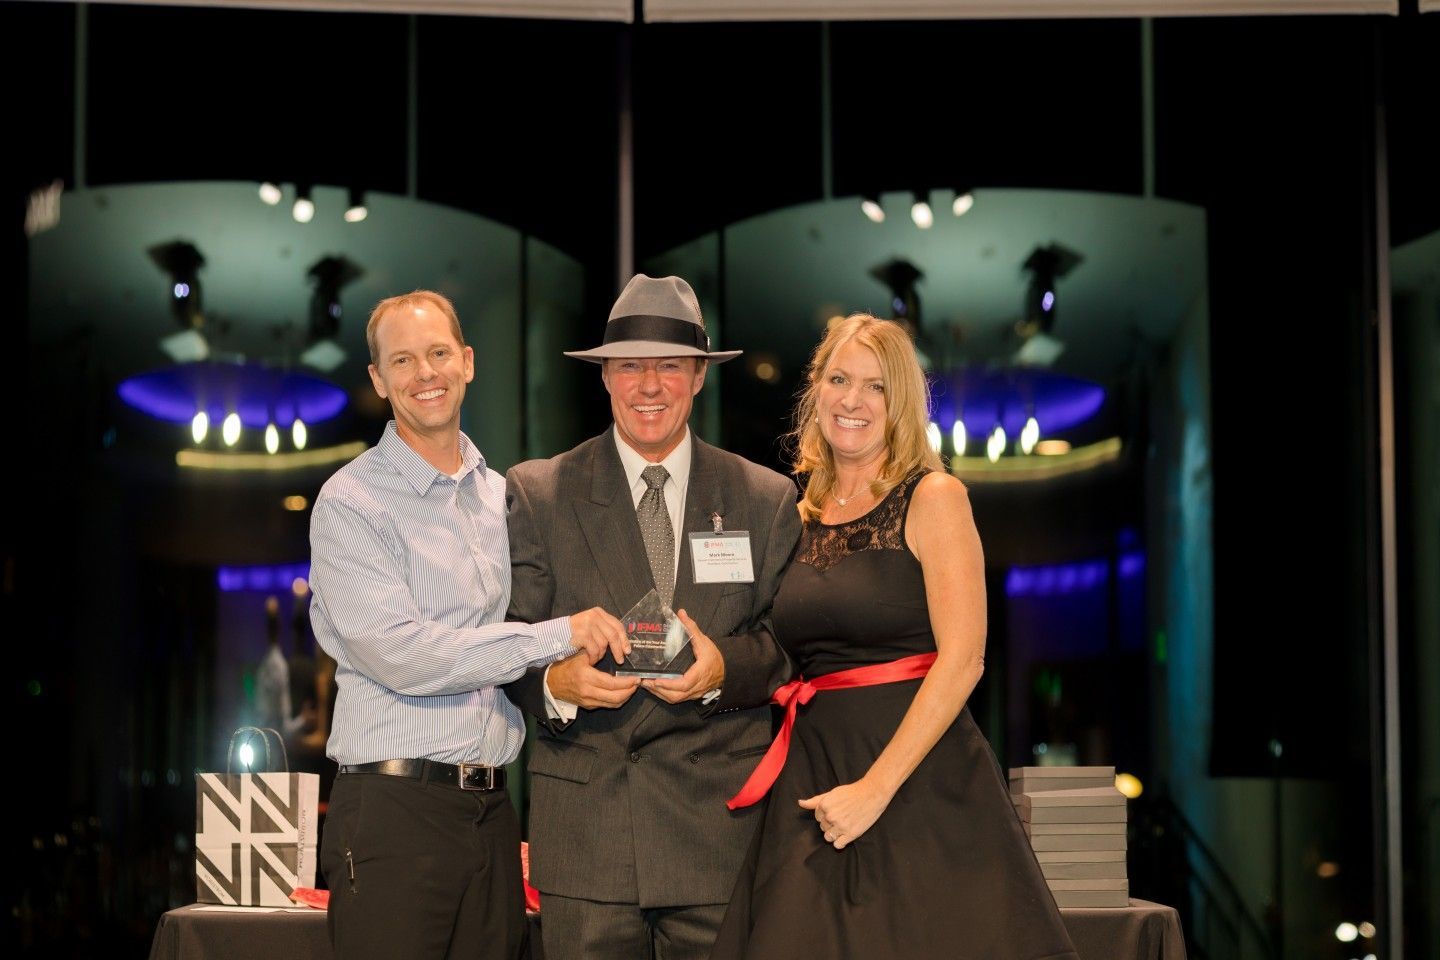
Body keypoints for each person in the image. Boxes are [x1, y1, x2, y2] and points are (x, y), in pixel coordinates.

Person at [706, 314, 1080, 960]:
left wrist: (875, 789)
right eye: (839, 379)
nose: (852, 399)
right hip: (813, 778)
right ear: (816, 390)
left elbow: (964, 660)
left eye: (875, 386)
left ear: (900, 401)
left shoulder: (935, 497)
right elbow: (775, 651)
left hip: (916, 783)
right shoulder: (795, 514)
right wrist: (709, 662)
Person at [308, 290, 629, 960]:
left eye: (438, 353)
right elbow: (405, 655)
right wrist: (560, 635)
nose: (424, 373)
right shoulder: (350, 502)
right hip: (394, 812)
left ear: (468, 362)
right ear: (378, 379)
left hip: (491, 814)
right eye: (402, 360)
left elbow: (514, 633)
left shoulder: (500, 497)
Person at [503, 274, 801, 960]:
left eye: (669, 366)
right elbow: (504, 645)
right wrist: (554, 683)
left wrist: (724, 668)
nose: (649, 386)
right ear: (605, 376)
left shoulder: (764, 499)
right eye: (630, 365)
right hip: (589, 840)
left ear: (699, 376)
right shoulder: (541, 494)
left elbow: (787, 647)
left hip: (719, 837)